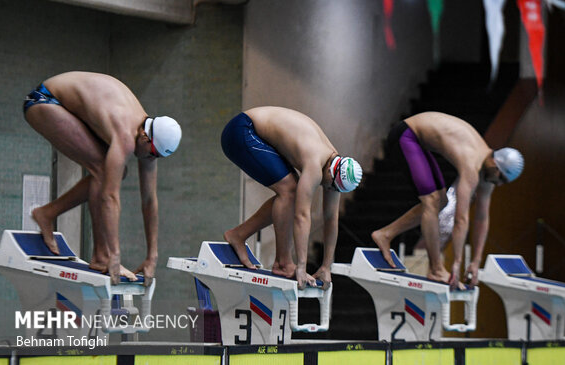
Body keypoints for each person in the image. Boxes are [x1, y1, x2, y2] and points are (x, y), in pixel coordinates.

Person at [23, 72, 182, 286]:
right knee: (103, 171)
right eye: (152, 154)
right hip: (44, 100)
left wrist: (152, 256)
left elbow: (149, 201)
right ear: (145, 138)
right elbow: (110, 197)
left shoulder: (148, 136)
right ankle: (101, 256)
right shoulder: (125, 135)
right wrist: (115, 254)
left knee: (113, 171)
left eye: (157, 157)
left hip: (68, 106)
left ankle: (47, 214)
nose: (151, 160)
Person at [371, 112, 523, 289]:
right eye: (502, 179)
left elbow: (482, 218)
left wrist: (475, 262)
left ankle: (385, 234)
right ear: (496, 166)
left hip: (419, 141)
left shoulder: (488, 172)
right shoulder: (472, 166)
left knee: (441, 201)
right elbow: (461, 219)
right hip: (406, 135)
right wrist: (457, 263)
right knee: (432, 200)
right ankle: (435, 269)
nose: (500, 184)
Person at [221, 106, 363, 289]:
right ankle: (283, 263)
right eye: (329, 185)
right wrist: (301, 266)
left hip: (255, 132)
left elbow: (331, 218)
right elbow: (301, 216)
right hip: (240, 130)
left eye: (334, 188)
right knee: (290, 191)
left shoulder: (335, 169)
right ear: (331, 171)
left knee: (291, 190)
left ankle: (238, 235)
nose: (328, 189)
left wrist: (327, 266)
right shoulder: (315, 163)